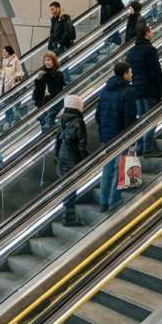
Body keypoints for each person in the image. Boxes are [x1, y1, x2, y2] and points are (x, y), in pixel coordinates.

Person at [97, 62, 139, 214]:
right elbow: (129, 117)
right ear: (125, 74)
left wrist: (104, 129)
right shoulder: (128, 91)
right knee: (119, 167)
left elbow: (97, 115)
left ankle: (103, 202)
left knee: (107, 168)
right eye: (130, 72)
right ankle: (114, 201)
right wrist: (131, 135)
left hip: (106, 136)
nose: (132, 74)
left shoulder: (105, 90)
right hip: (121, 135)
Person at [126, 22, 162, 157]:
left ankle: (140, 148)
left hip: (136, 90)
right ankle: (148, 148)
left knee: (140, 120)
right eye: (151, 30)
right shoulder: (150, 50)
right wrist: (161, 90)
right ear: (147, 33)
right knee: (151, 120)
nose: (152, 32)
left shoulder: (131, 52)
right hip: (150, 91)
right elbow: (155, 72)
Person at [54, 95, 93, 226]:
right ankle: (69, 217)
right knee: (72, 189)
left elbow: (57, 141)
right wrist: (87, 160)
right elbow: (81, 146)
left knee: (67, 188)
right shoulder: (78, 122)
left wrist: (57, 157)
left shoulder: (63, 119)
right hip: (72, 159)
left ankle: (66, 215)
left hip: (62, 157)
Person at [33, 51, 66, 128]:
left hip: (53, 102)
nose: (46, 62)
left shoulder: (58, 74)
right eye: (45, 60)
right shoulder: (43, 73)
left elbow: (58, 89)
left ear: (53, 61)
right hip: (43, 102)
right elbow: (39, 88)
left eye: (48, 60)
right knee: (43, 122)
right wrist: (38, 79)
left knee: (49, 122)